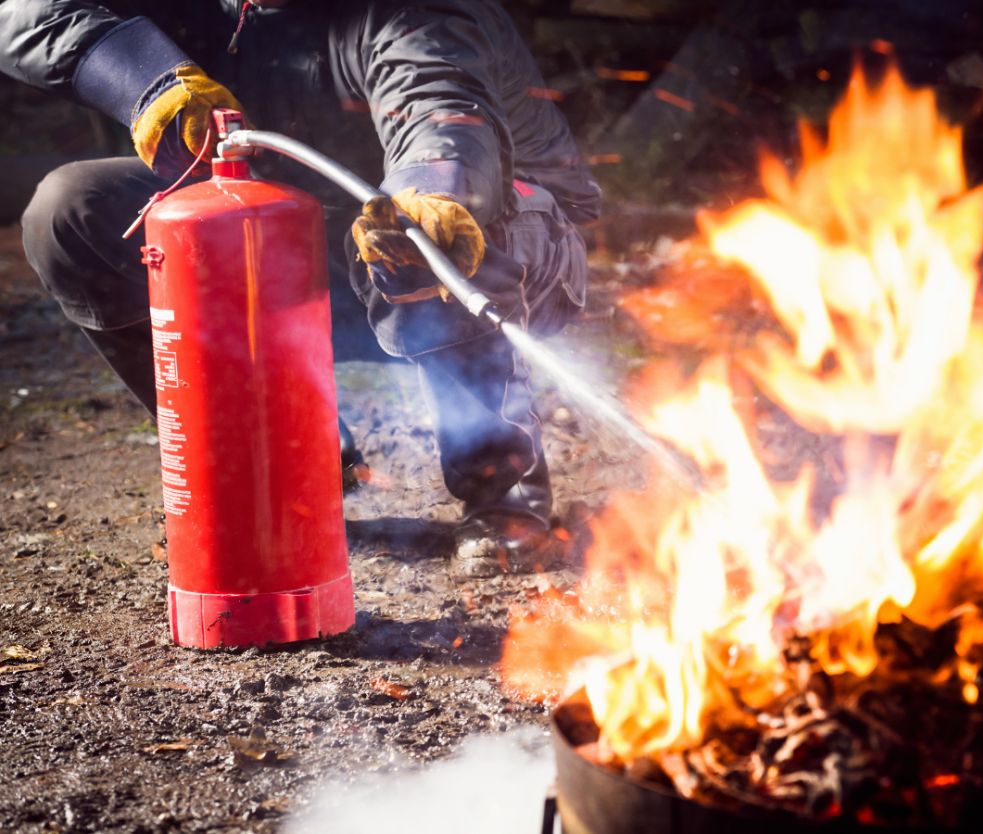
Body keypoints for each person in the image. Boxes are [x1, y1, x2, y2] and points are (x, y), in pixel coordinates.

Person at [0, 0, 601, 578]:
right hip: (298, 231)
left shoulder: (415, 11)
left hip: (506, 245)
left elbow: (439, 104)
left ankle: (501, 494)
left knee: (419, 224)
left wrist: (431, 184)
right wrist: (140, 76)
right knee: (71, 209)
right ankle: (289, 472)